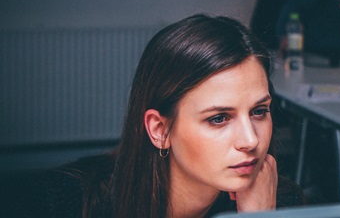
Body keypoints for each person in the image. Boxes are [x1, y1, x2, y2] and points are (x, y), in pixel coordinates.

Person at [32, 15, 303, 217]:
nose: (250, 141)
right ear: (160, 130)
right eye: (219, 118)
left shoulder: (275, 201)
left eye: (259, 112)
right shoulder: (68, 202)